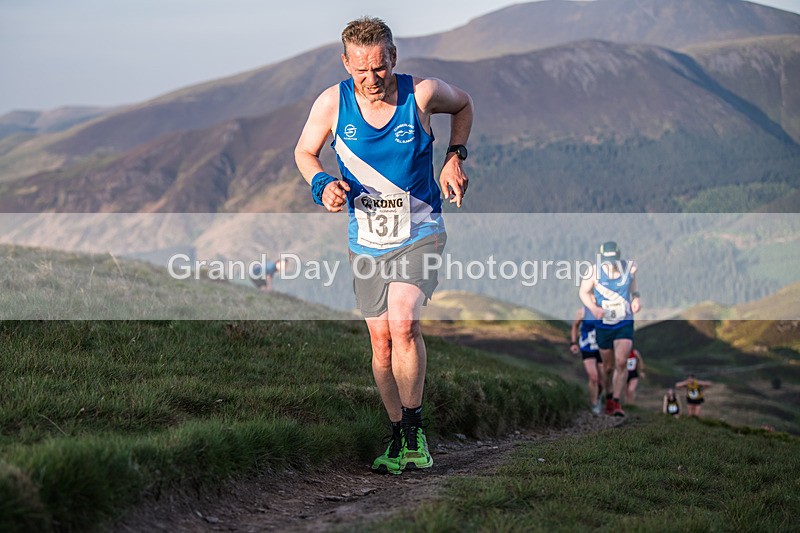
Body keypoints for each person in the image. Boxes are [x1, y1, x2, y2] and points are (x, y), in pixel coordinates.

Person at [294, 16, 472, 475]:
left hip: (420, 228)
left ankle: (415, 432)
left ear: (393, 57)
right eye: (361, 71)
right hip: (367, 237)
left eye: (380, 68)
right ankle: (396, 434)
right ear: (345, 63)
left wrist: (453, 157)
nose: (371, 80)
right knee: (380, 343)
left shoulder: (423, 94)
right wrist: (321, 184)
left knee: (404, 324)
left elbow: (464, 105)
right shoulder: (333, 104)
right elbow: (304, 152)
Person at [579, 241, 640, 417]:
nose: (610, 263)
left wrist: (635, 299)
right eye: (606, 260)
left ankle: (615, 401)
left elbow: (633, 288)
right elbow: (583, 292)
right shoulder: (593, 272)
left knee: (621, 362)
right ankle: (607, 394)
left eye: (612, 260)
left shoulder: (629, 268)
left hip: (624, 321)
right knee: (607, 367)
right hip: (603, 324)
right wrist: (594, 308)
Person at [570, 307, 605, 415]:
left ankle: (598, 396)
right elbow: (575, 325)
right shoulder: (583, 311)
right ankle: (594, 403)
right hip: (587, 346)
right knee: (593, 377)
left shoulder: (606, 308)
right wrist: (573, 343)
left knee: (602, 380)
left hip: (602, 347)